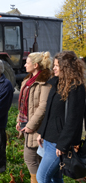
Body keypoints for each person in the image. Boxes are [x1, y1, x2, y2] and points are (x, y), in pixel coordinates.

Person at [36, 51, 86, 183]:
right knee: (55, 177)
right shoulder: (57, 83)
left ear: (66, 67)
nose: (54, 68)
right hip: (48, 139)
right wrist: (41, 132)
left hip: (58, 143)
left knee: (41, 177)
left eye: (57, 65)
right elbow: (50, 112)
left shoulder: (76, 87)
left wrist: (63, 145)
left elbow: (73, 120)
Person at [15, 52, 52, 183]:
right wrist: (19, 120)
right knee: (35, 158)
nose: (25, 65)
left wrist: (31, 125)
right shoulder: (27, 80)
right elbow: (22, 104)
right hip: (27, 125)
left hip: (37, 127)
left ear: (35, 65)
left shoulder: (45, 83)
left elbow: (43, 107)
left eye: (27, 62)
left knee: (31, 158)